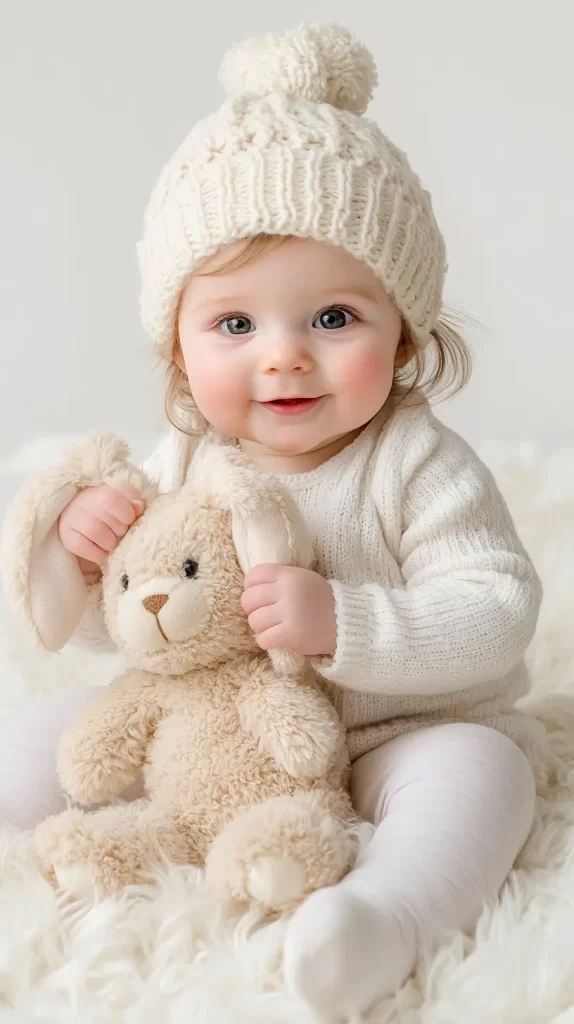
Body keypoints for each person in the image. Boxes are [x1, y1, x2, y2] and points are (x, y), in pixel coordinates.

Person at [0, 23, 547, 1019]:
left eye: (332, 318)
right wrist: (86, 561)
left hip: (397, 730)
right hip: (214, 745)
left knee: (487, 775)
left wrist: (347, 623)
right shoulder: (180, 461)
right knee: (47, 734)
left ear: (406, 329)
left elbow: (496, 608)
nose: (283, 356)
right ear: (176, 342)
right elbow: (132, 626)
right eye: (235, 324)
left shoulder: (415, 462)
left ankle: (384, 918)